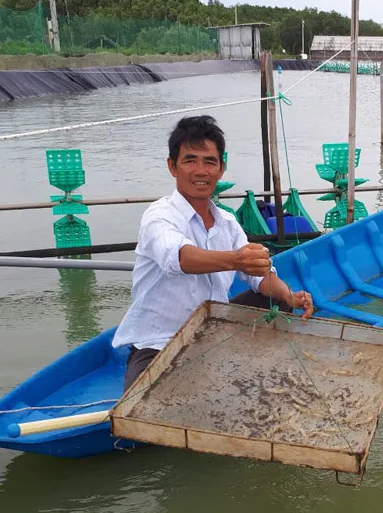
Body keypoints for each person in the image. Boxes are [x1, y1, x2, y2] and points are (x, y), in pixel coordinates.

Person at [112, 115, 314, 390]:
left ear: (221, 169)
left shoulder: (228, 224)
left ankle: (254, 362)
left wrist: (289, 294)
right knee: (141, 405)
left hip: (215, 331)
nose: (200, 170)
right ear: (173, 167)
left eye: (209, 162)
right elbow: (180, 257)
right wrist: (236, 260)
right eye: (190, 160)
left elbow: (260, 277)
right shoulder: (159, 216)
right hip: (160, 343)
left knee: (277, 299)